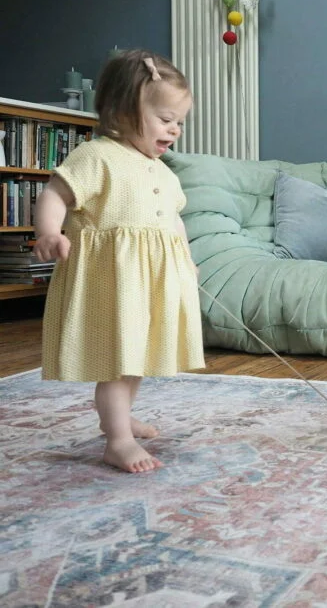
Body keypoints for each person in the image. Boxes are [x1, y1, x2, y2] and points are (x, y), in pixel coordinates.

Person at [34, 49, 205, 473]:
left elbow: (173, 222)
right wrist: (49, 232)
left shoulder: (165, 172)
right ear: (125, 111)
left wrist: (185, 258)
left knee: (137, 355)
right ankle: (117, 440)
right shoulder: (96, 157)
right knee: (116, 359)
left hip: (151, 283)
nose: (175, 130)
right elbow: (56, 193)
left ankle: (121, 416)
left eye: (179, 121)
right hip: (113, 282)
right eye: (166, 119)